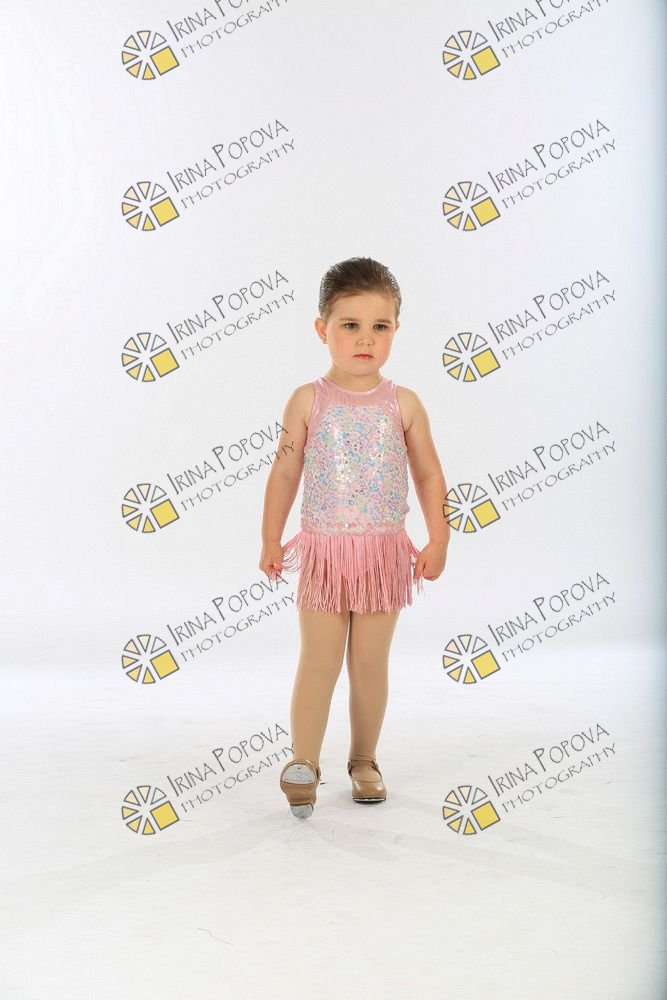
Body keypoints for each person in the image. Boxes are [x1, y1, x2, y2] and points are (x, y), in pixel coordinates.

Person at [259, 257, 450, 819]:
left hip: (383, 556)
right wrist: (271, 538)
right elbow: (285, 471)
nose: (366, 338)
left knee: (369, 662)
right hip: (324, 553)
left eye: (380, 326)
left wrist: (438, 538)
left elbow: (429, 474)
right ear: (322, 329)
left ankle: (364, 759)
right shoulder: (307, 400)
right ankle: (303, 761)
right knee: (319, 659)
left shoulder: (404, 403)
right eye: (350, 325)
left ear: (396, 330)